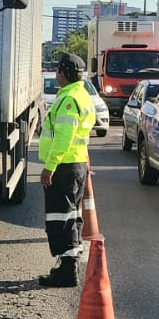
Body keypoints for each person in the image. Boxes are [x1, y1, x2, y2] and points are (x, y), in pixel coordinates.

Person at [37, 52, 95, 287]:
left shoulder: (69, 100)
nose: (56, 74)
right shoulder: (82, 95)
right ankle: (68, 265)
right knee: (72, 217)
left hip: (64, 166)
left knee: (62, 218)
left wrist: (49, 167)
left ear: (63, 73)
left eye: (58, 71)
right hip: (76, 164)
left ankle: (67, 271)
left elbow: (63, 137)